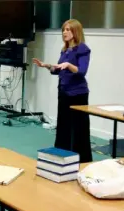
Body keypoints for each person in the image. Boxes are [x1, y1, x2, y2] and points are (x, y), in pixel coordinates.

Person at [32, 19, 93, 162]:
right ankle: (61, 156)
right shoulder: (65, 49)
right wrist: (46, 66)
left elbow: (81, 71)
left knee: (79, 127)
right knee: (63, 125)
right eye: (63, 30)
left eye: (68, 30)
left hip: (78, 94)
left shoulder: (83, 49)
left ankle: (82, 158)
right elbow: (58, 70)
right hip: (64, 92)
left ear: (75, 32)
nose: (64, 32)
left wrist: (69, 65)